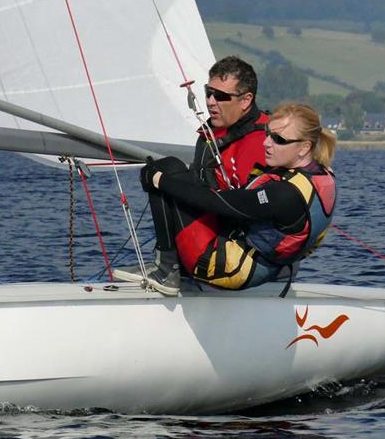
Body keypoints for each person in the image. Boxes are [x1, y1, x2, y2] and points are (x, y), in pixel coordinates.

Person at [115, 103, 337, 296]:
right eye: (268, 134)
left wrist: (159, 181)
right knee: (182, 176)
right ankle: (172, 267)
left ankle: (167, 272)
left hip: (224, 268)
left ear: (305, 147)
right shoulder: (322, 175)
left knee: (166, 168)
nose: (267, 143)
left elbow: (220, 204)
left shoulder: (285, 195)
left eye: (278, 139)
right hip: (271, 265)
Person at [191, 55, 270, 190]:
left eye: (220, 96)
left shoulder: (262, 143)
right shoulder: (212, 132)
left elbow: (248, 205)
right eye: (208, 92)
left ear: (245, 100)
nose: (210, 102)